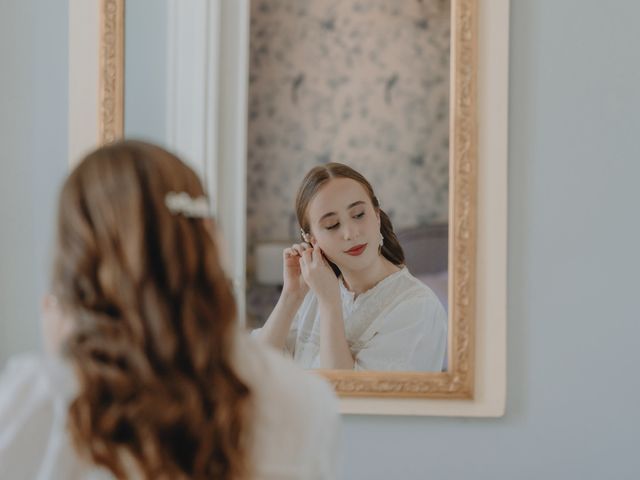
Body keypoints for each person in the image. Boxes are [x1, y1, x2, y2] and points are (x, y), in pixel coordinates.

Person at [0, 141, 340, 479]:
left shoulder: (45, 398)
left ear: (80, 259)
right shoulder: (303, 401)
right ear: (206, 236)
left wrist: (60, 363)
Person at [254, 163, 447, 371]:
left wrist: (330, 304)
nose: (350, 233)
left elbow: (350, 395)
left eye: (358, 214)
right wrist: (292, 295)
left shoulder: (417, 307)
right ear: (313, 240)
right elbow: (256, 370)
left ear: (376, 215)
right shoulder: (312, 293)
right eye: (332, 225)